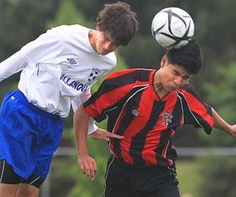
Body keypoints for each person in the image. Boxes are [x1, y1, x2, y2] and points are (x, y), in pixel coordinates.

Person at [0, 1, 139, 197]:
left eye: (114, 44)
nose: (107, 46)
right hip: (22, 114)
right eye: (106, 38)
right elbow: (21, 57)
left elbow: (81, 90)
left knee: (29, 194)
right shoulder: (63, 38)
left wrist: (90, 127)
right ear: (99, 26)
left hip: (51, 124)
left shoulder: (108, 61)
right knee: (5, 194)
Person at [74, 39, 236, 197]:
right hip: (121, 173)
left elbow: (206, 112)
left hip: (160, 176)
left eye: (185, 78)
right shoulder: (125, 84)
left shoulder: (184, 96)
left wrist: (229, 128)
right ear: (164, 61)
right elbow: (83, 112)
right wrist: (83, 153)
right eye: (176, 73)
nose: (178, 81)